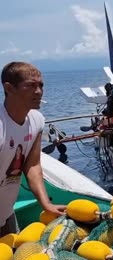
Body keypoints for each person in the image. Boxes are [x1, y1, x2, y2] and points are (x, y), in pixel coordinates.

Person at [0, 62, 66, 237]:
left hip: (6, 213)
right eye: (30, 85)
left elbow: (32, 165)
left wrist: (46, 204)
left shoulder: (36, 120)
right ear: (9, 88)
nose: (38, 91)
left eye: (41, 85)